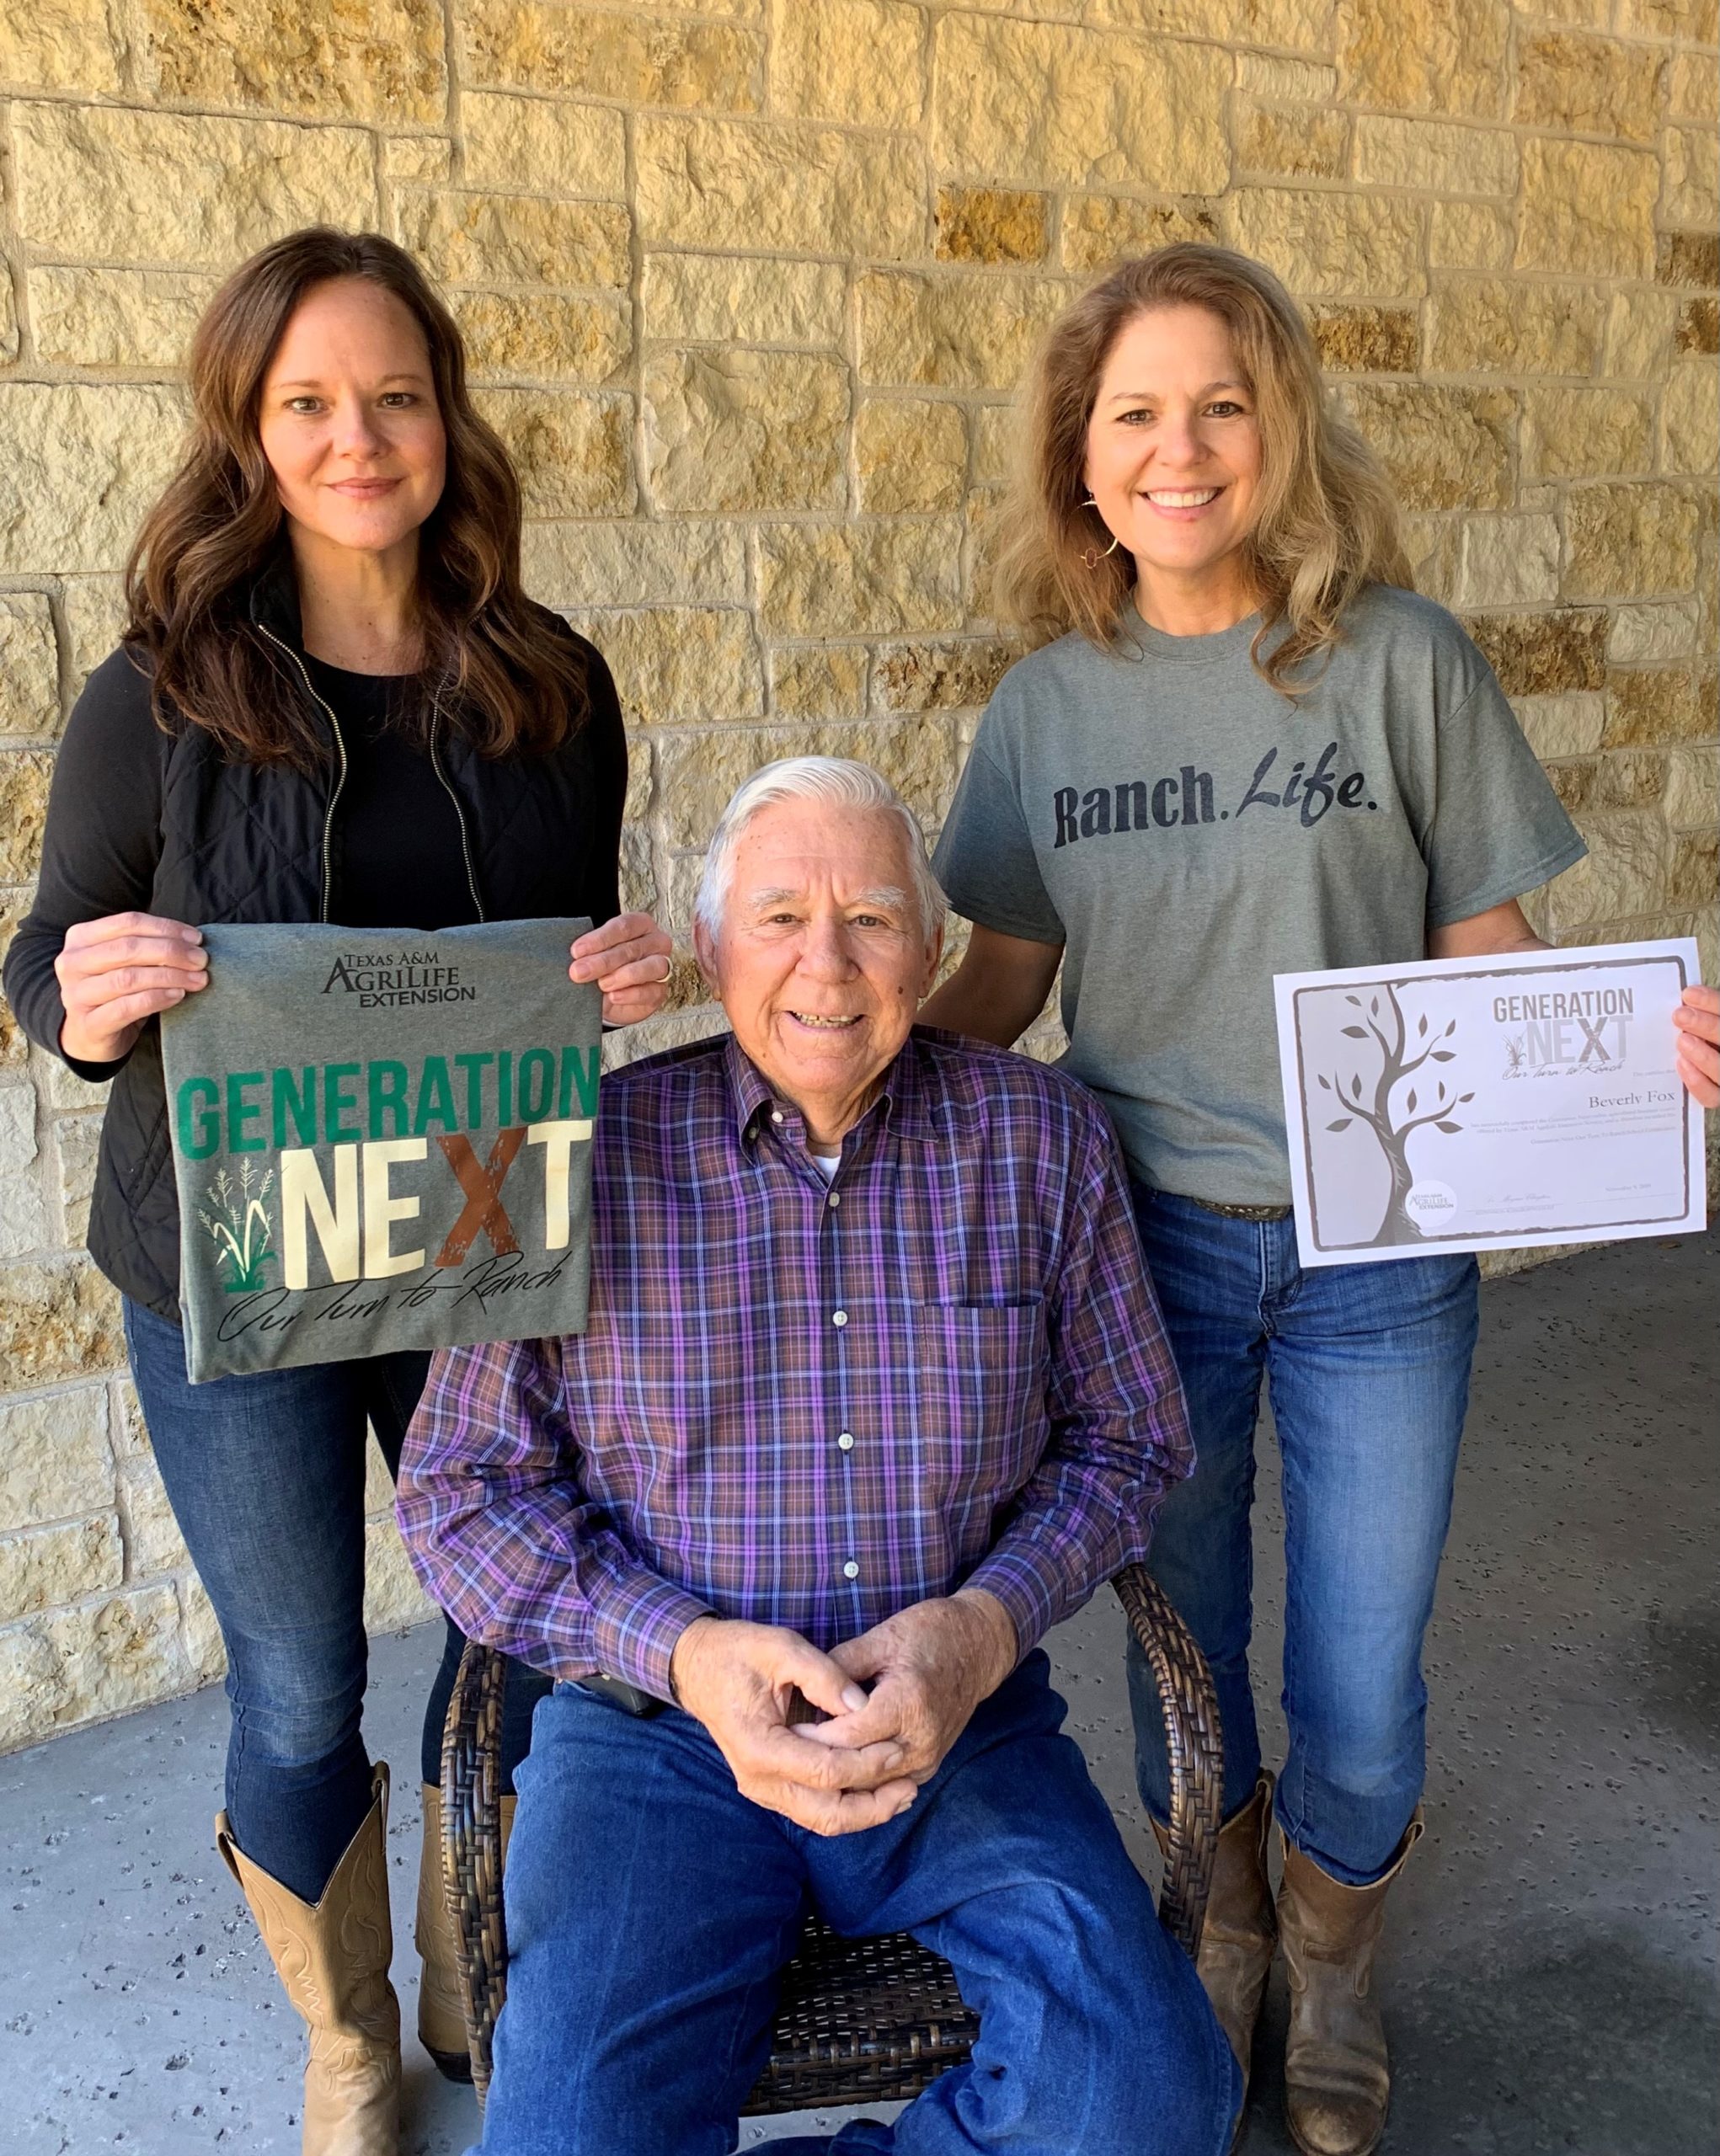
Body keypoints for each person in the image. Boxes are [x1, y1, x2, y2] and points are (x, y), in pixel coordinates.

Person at [919, 243, 1720, 2156]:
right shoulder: (1045, 709)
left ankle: (1333, 1943)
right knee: (1176, 1652)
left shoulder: (1402, 661)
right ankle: (1217, 1913)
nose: (1180, 447)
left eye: (1221, 402)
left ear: (1280, 429)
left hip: (1381, 1244)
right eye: (1135, 413)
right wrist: (825, 1061)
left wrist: (1636, 1056)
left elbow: (1490, 958)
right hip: (1129, 1260)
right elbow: (997, 989)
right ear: (1081, 460)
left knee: (1360, 1671)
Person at [2, 228, 674, 2156]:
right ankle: (350, 2041)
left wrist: (619, 975)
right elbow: (46, 958)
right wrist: (91, 999)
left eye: (393, 394)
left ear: (446, 419)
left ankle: (481, 1945)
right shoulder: (165, 693)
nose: (357, 435)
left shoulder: (554, 683)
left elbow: (563, 966)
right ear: (251, 430)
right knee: (301, 1679)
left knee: (529, 1624)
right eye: (308, 401)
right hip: (235, 1260)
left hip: (476, 1248)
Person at [395, 756, 1242, 2156]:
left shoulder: (1042, 1143)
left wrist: (980, 1630)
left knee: (1152, 2102)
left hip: (952, 1723)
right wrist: (677, 1651)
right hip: (656, 1746)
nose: (827, 965)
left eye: (871, 920)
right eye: (780, 917)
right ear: (714, 948)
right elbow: (462, 1492)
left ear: (934, 948)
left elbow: (1127, 1442)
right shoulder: (569, 1153)